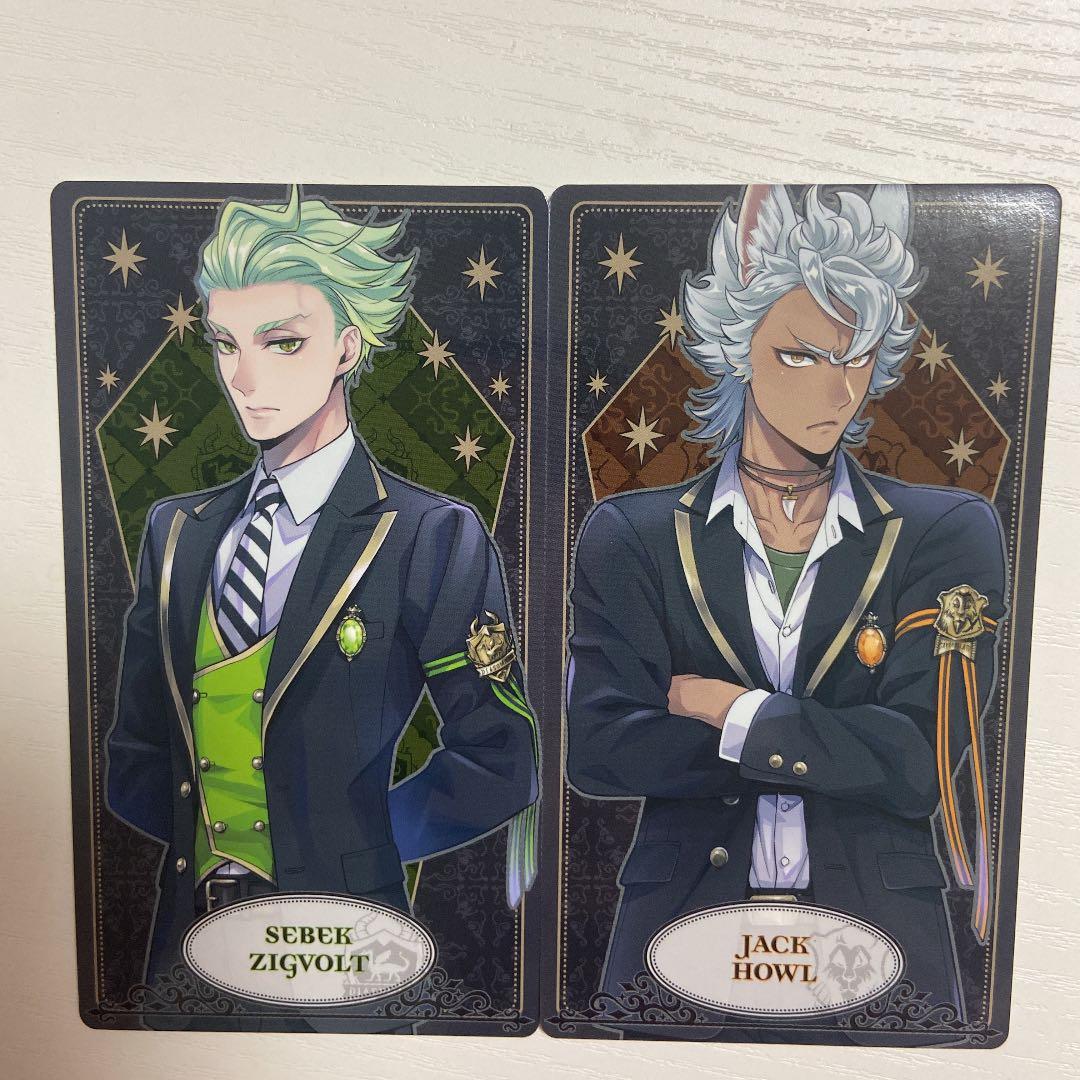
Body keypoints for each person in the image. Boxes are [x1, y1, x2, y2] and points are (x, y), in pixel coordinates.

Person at [566, 184, 1006, 1029]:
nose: (839, 393)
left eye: (858, 359)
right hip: (678, 931)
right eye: (802, 357)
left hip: (885, 943)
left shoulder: (945, 532)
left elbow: (919, 763)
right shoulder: (632, 535)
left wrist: (728, 710)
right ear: (739, 345)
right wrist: (838, 741)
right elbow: (599, 750)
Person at [105, 186, 539, 1002]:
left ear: (345, 347)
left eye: (282, 343)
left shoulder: (428, 534)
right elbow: (133, 754)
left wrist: (351, 847)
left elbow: (501, 760)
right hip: (183, 950)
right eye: (225, 344)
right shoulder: (176, 531)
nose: (244, 378)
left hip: (347, 947)